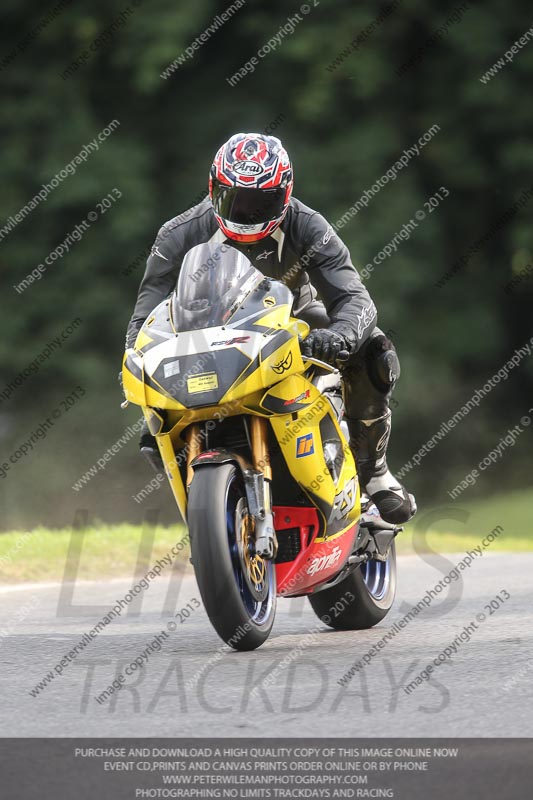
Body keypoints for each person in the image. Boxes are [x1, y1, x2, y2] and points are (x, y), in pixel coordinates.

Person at [125, 133, 416, 524]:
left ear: (286, 194)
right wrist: (136, 359)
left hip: (294, 321)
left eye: (263, 202)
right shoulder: (178, 233)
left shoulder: (308, 224)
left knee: (375, 351)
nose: (247, 213)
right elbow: (145, 315)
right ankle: (212, 509)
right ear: (213, 189)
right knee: (152, 429)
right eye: (235, 200)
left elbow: (356, 299)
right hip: (201, 334)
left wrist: (340, 336)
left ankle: (374, 470)